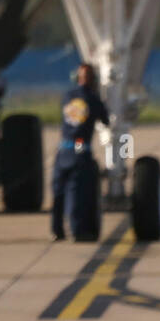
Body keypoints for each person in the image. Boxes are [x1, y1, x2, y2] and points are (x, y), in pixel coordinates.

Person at [51, 62, 109, 242]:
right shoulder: (92, 99)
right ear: (93, 81)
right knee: (76, 193)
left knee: (58, 193)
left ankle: (57, 230)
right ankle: (77, 231)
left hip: (63, 150)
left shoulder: (68, 96)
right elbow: (106, 121)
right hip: (79, 149)